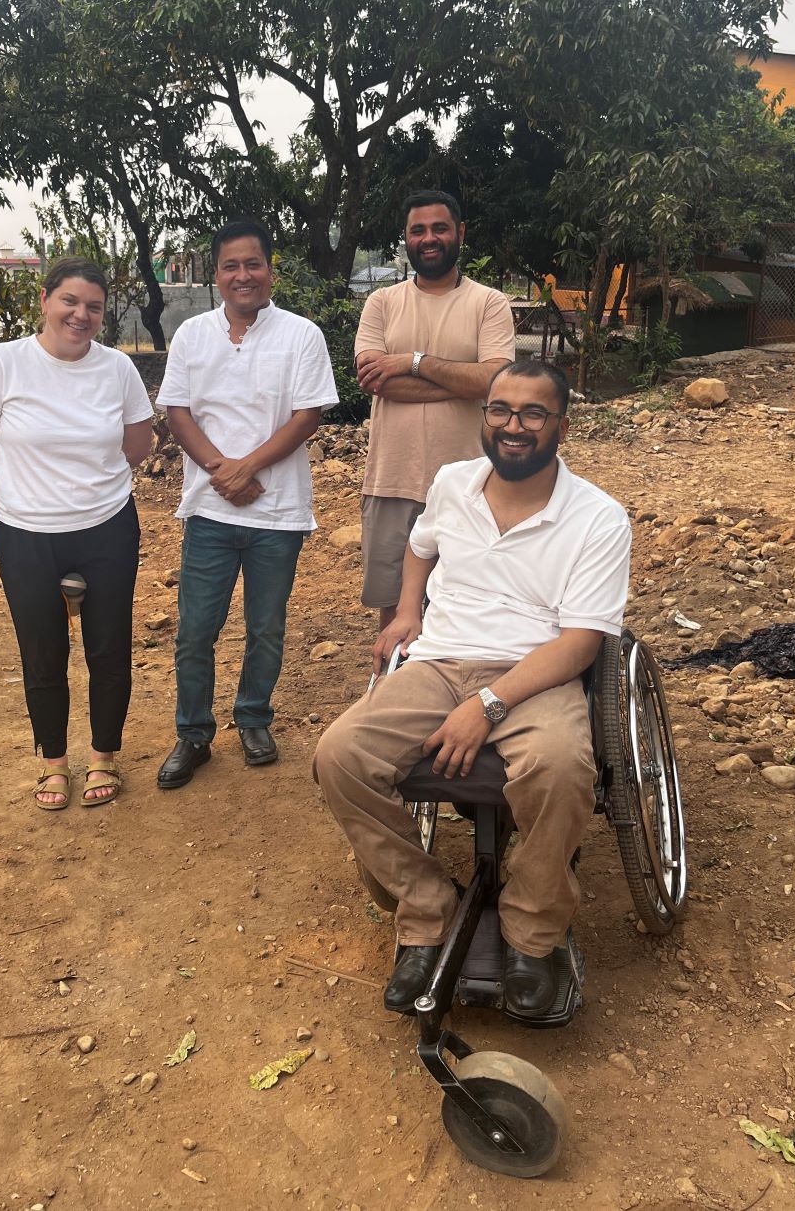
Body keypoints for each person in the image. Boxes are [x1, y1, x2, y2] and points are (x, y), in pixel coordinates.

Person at [313, 359, 631, 1017]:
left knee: (560, 768)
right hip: (439, 660)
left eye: (533, 413)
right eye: (500, 410)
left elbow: (580, 643)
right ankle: (426, 906)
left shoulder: (597, 518)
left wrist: (487, 705)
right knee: (339, 756)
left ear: (561, 426)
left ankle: (532, 930)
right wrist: (407, 611)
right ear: (484, 416)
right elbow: (421, 545)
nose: (514, 426)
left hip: (537, 670)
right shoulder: (453, 482)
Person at [0, 257, 154, 811]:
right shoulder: (3, 364)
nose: (80, 315)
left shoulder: (117, 369)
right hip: (26, 530)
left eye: (94, 306)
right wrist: (33, 486)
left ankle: (104, 755)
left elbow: (137, 446)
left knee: (109, 647)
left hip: (107, 526)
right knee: (42, 650)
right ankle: (53, 763)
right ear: (45, 300)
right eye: (70, 301)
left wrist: (85, 484)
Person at [155, 219, 338, 789]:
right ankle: (193, 733)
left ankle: (254, 718)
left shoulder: (301, 335)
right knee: (195, 631)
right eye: (231, 266)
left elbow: (308, 415)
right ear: (216, 274)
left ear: (269, 270)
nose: (243, 275)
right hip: (209, 511)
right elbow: (178, 411)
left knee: (266, 627)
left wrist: (248, 467)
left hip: (277, 514)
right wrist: (224, 471)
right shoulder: (192, 335)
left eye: (252, 264)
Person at [355, 191, 515, 629]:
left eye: (440, 228)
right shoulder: (381, 303)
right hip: (392, 478)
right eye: (418, 230)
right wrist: (461, 380)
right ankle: (394, 673)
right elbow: (374, 380)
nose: (429, 238)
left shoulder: (490, 303)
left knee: (466, 609)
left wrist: (412, 362)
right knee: (394, 611)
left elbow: (496, 381)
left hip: (473, 483)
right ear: (406, 238)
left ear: (459, 232)